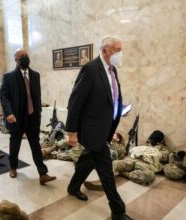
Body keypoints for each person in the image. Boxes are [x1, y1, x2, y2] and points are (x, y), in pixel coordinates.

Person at [65, 36, 130, 220]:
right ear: (105, 50)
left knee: (88, 160)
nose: (120, 53)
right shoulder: (90, 69)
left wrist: (119, 110)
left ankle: (73, 186)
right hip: (92, 130)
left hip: (105, 127)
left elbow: (110, 97)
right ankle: (118, 211)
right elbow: (75, 102)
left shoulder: (112, 70)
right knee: (106, 171)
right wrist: (71, 132)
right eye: (117, 49)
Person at [0, 48, 56, 185]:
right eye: (21, 56)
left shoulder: (35, 75)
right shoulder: (9, 77)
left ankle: (43, 173)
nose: (24, 57)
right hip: (16, 118)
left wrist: (39, 112)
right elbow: (4, 96)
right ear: (16, 60)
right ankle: (13, 167)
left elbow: (37, 96)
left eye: (26, 55)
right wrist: (9, 113)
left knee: (35, 145)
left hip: (32, 117)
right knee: (15, 144)